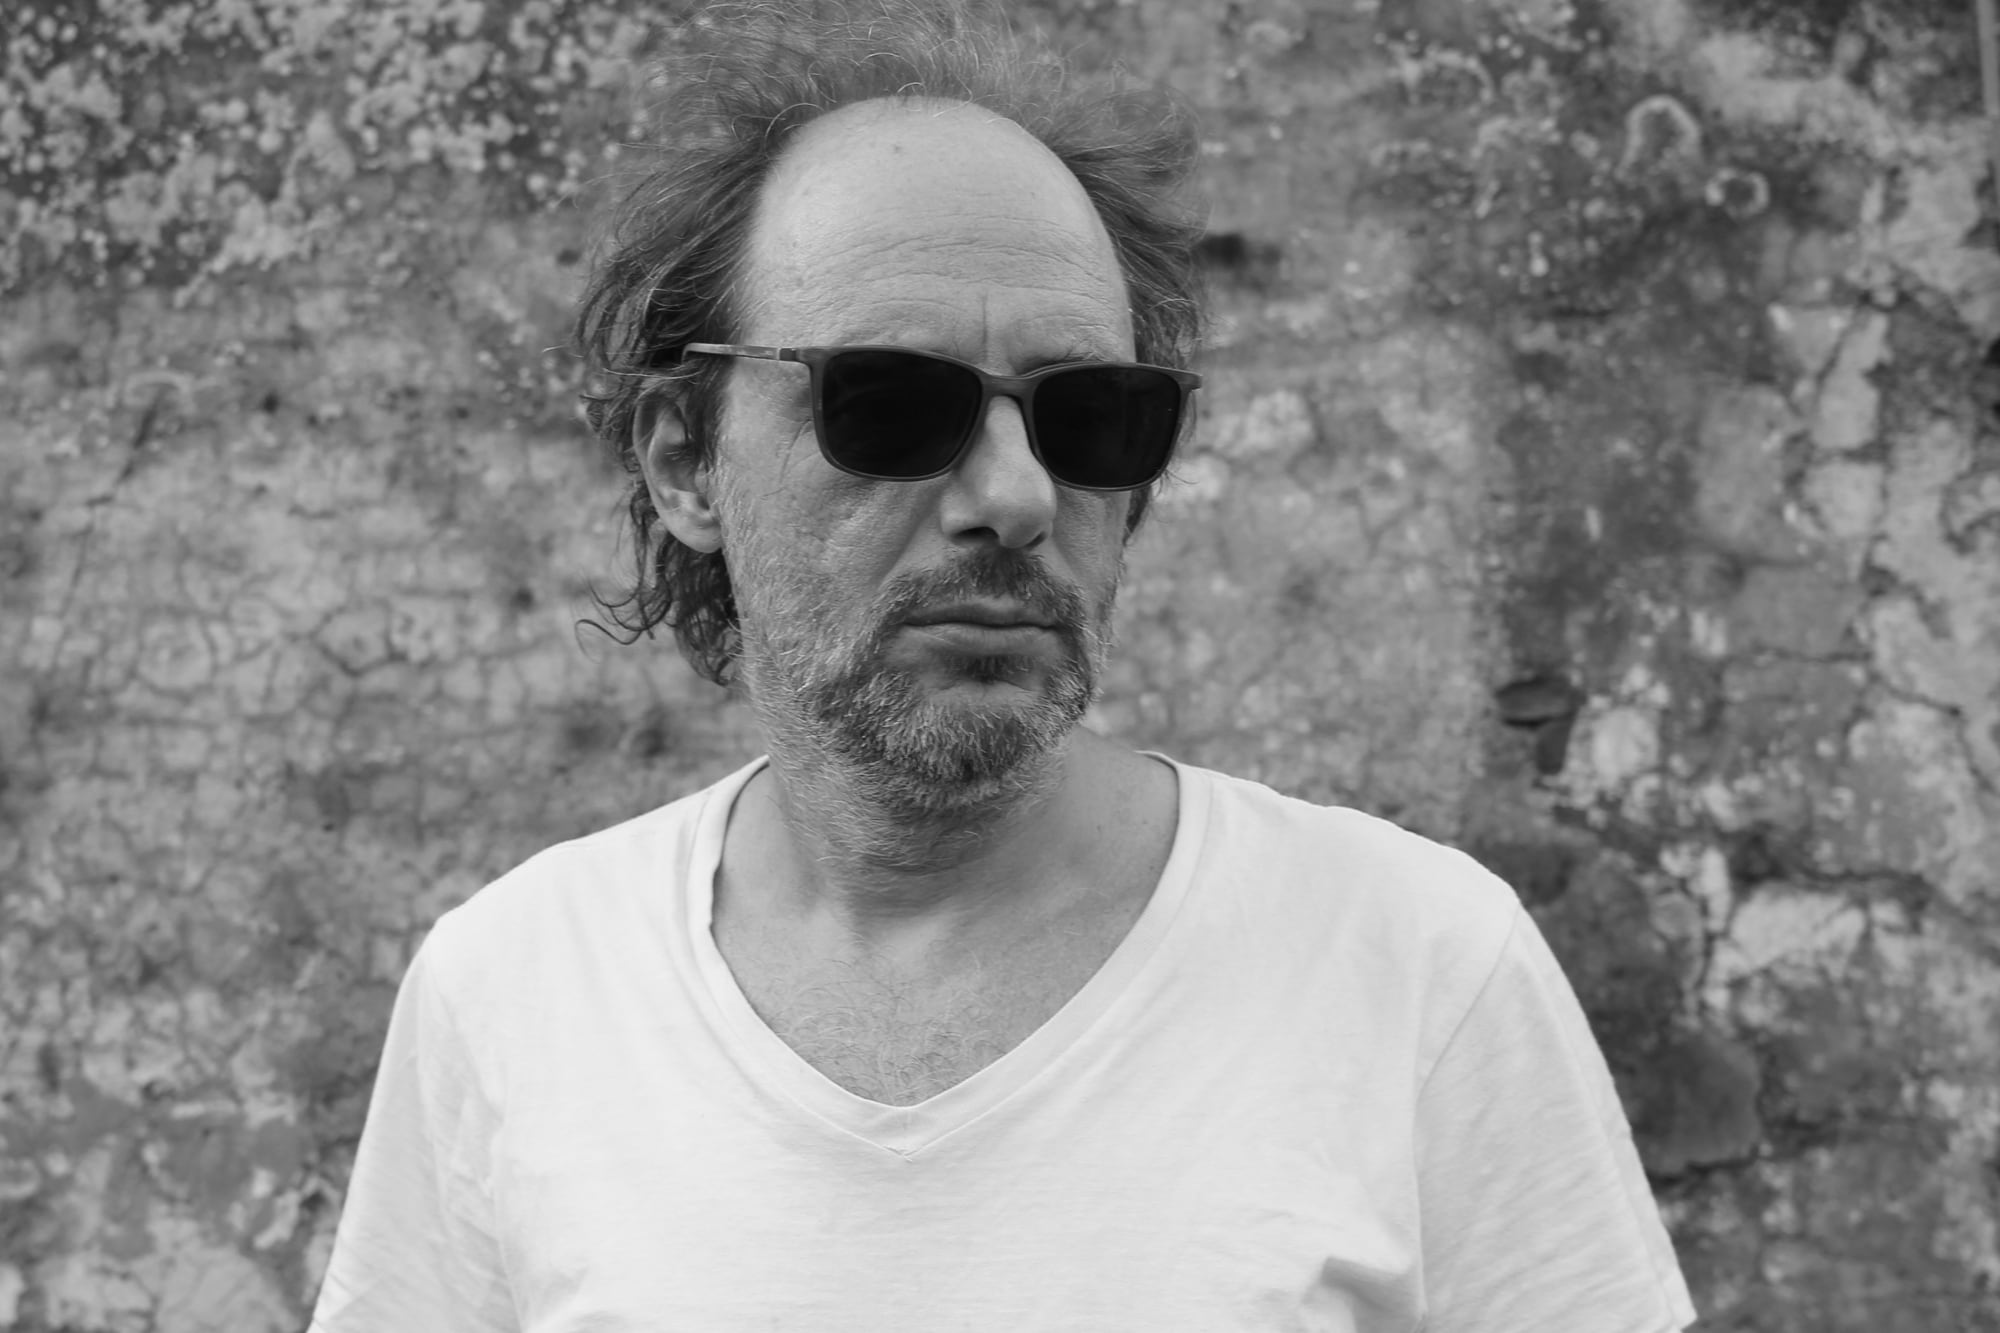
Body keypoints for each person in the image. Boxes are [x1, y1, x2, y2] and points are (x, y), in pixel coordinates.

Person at [309, 3, 1698, 1329]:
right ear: (686, 461)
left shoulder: (1417, 970)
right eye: (887, 402)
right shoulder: (517, 993)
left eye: (1090, 414)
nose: (1018, 497)